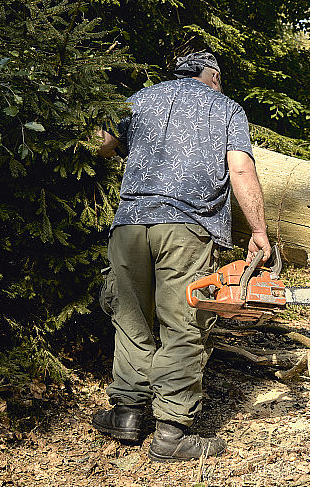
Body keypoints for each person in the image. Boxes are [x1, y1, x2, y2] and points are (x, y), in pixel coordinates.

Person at [92, 51, 271, 462]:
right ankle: (171, 433)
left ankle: (127, 415)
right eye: (220, 79)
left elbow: (102, 143)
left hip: (130, 225)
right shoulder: (226, 109)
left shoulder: (140, 98)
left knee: (131, 319)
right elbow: (241, 170)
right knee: (184, 325)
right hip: (187, 230)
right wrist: (258, 231)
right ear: (211, 75)